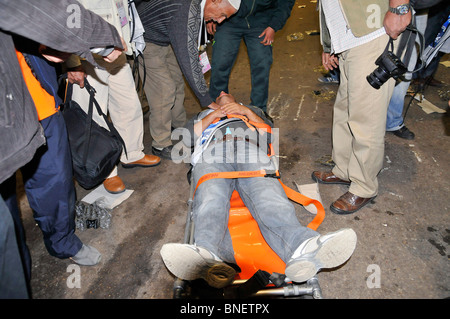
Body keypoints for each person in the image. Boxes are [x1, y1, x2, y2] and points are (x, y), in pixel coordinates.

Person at [160, 92, 357, 288]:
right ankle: (207, 256)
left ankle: (302, 248)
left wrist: (245, 112)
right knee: (211, 199)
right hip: (213, 151)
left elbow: (270, 136)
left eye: (226, 93)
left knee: (269, 197)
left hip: (250, 149)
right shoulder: (202, 115)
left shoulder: (252, 111)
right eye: (219, 94)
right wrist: (213, 115)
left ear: (237, 100)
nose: (222, 93)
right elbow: (183, 140)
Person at [0, 0, 125, 297]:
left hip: (37, 96)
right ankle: (15, 268)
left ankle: (63, 242)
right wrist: (104, 40)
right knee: (6, 223)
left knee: (56, 178)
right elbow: (47, 9)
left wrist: (72, 62)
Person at [312, 0, 412, 215]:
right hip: (348, 39)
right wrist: (330, 44)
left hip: (372, 33)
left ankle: (364, 186)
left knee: (366, 116)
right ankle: (345, 170)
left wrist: (399, 9)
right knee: (345, 109)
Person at [66, 0, 161, 194]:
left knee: (129, 106)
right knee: (92, 117)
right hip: (88, 60)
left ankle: (131, 153)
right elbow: (67, 22)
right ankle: (106, 170)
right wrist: (72, 63)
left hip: (117, 54)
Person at [135, 0, 242, 160]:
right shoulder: (185, 11)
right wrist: (206, 99)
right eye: (222, 15)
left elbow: (192, 47)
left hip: (164, 36)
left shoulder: (197, 7)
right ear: (216, 1)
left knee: (177, 81)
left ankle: (179, 127)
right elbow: (189, 60)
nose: (219, 21)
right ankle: (160, 144)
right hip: (146, 39)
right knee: (164, 90)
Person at [207, 0, 295, 113]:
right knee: (220, 63)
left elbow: (286, 2)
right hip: (228, 21)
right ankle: (217, 110)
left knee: (262, 65)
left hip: (261, 21)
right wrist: (210, 14)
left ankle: (258, 110)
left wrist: (274, 25)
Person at [386, 9, 430, 140]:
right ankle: (369, 115)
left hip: (420, 7)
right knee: (383, 56)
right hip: (394, 7)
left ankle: (392, 120)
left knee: (407, 62)